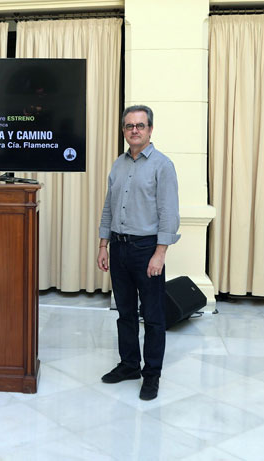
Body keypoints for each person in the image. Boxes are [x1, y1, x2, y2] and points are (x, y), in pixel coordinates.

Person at [96, 104, 180, 401]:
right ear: (124, 131)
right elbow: (108, 207)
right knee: (125, 313)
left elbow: (168, 213)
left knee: (154, 317)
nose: (134, 130)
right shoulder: (118, 165)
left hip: (147, 250)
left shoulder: (162, 165)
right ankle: (129, 364)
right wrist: (104, 245)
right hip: (118, 248)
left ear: (150, 129)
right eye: (129, 126)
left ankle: (151, 374)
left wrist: (160, 254)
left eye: (140, 125)